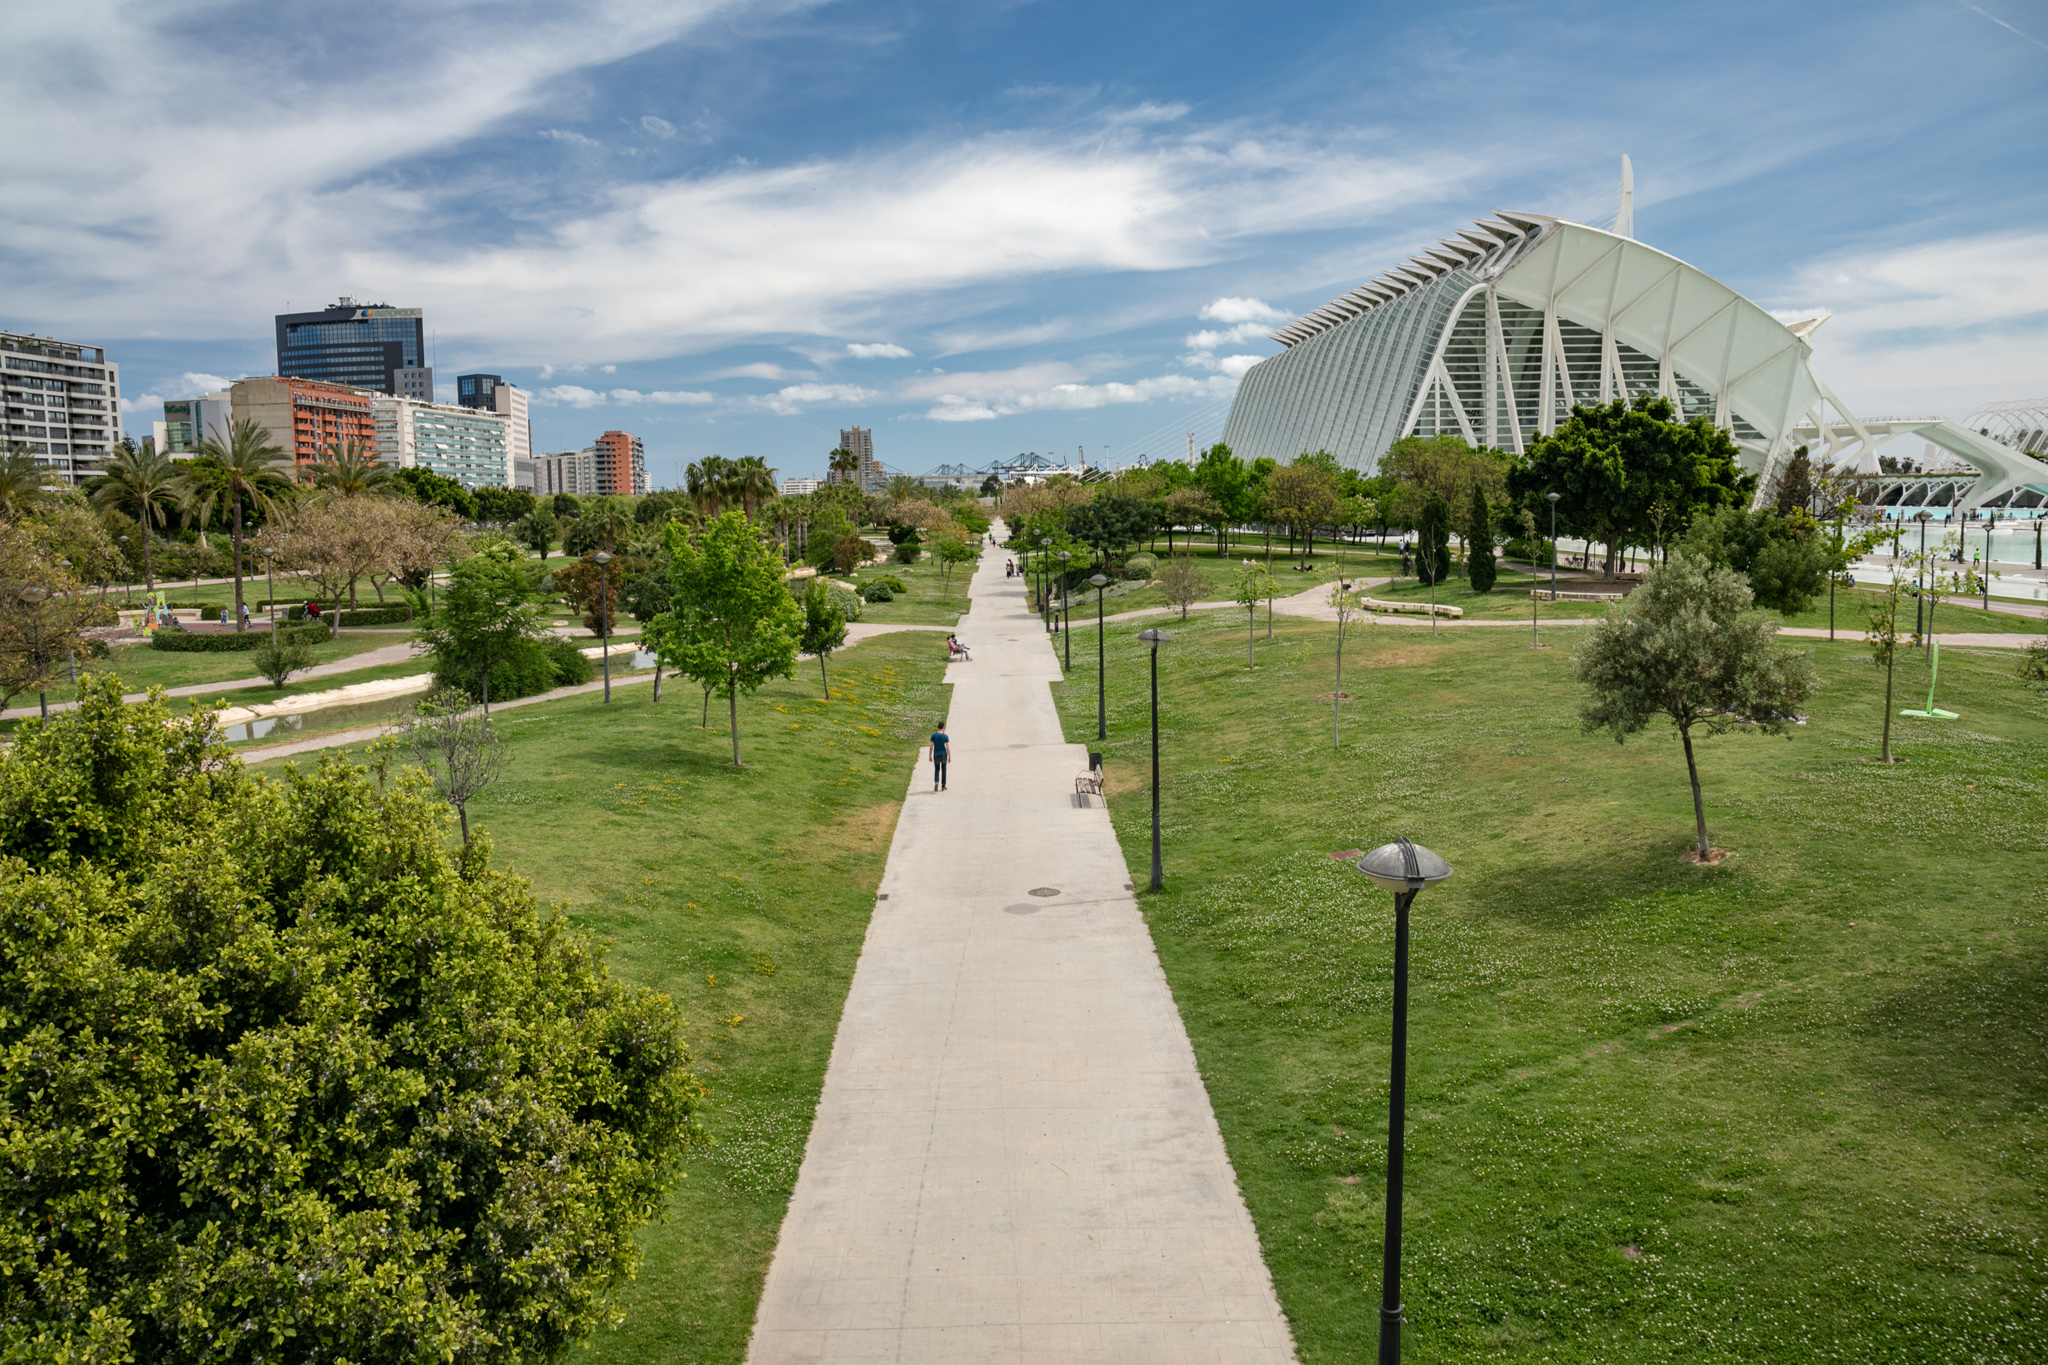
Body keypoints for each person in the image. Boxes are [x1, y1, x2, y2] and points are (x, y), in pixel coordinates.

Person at [929, 720, 950, 791]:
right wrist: (949, 756)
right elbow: (947, 748)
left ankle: (936, 781)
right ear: (943, 727)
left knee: (937, 769)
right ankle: (943, 786)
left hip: (936, 754)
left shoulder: (933, 736)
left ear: (938, 727)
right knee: (944, 769)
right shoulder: (945, 736)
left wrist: (930, 755)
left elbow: (931, 746)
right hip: (943, 754)